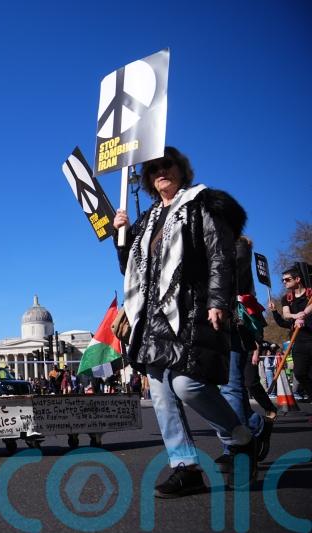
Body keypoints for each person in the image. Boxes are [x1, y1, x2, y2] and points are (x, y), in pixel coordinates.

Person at [113, 146, 258, 497]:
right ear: (148, 180)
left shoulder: (201, 203)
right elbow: (131, 270)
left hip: (191, 311)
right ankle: (185, 467)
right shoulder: (147, 220)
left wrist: (218, 300)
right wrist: (122, 236)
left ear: (181, 169)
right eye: (153, 169)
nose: (161, 172)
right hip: (152, 318)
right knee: (161, 394)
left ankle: (240, 438)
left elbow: (220, 255)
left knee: (187, 385)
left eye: (167, 165)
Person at [218, 236, 275, 469]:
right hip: (214, 326)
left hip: (232, 323)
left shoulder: (236, 245)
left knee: (230, 387)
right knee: (234, 390)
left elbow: (231, 278)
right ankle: (255, 424)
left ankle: (234, 449)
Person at [269, 267, 312, 402]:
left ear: (297, 279)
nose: (284, 282)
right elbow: (286, 315)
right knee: (299, 373)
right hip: (299, 341)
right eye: (283, 280)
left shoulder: (310, 294)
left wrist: (304, 314)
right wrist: (295, 316)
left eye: (287, 279)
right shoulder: (287, 298)